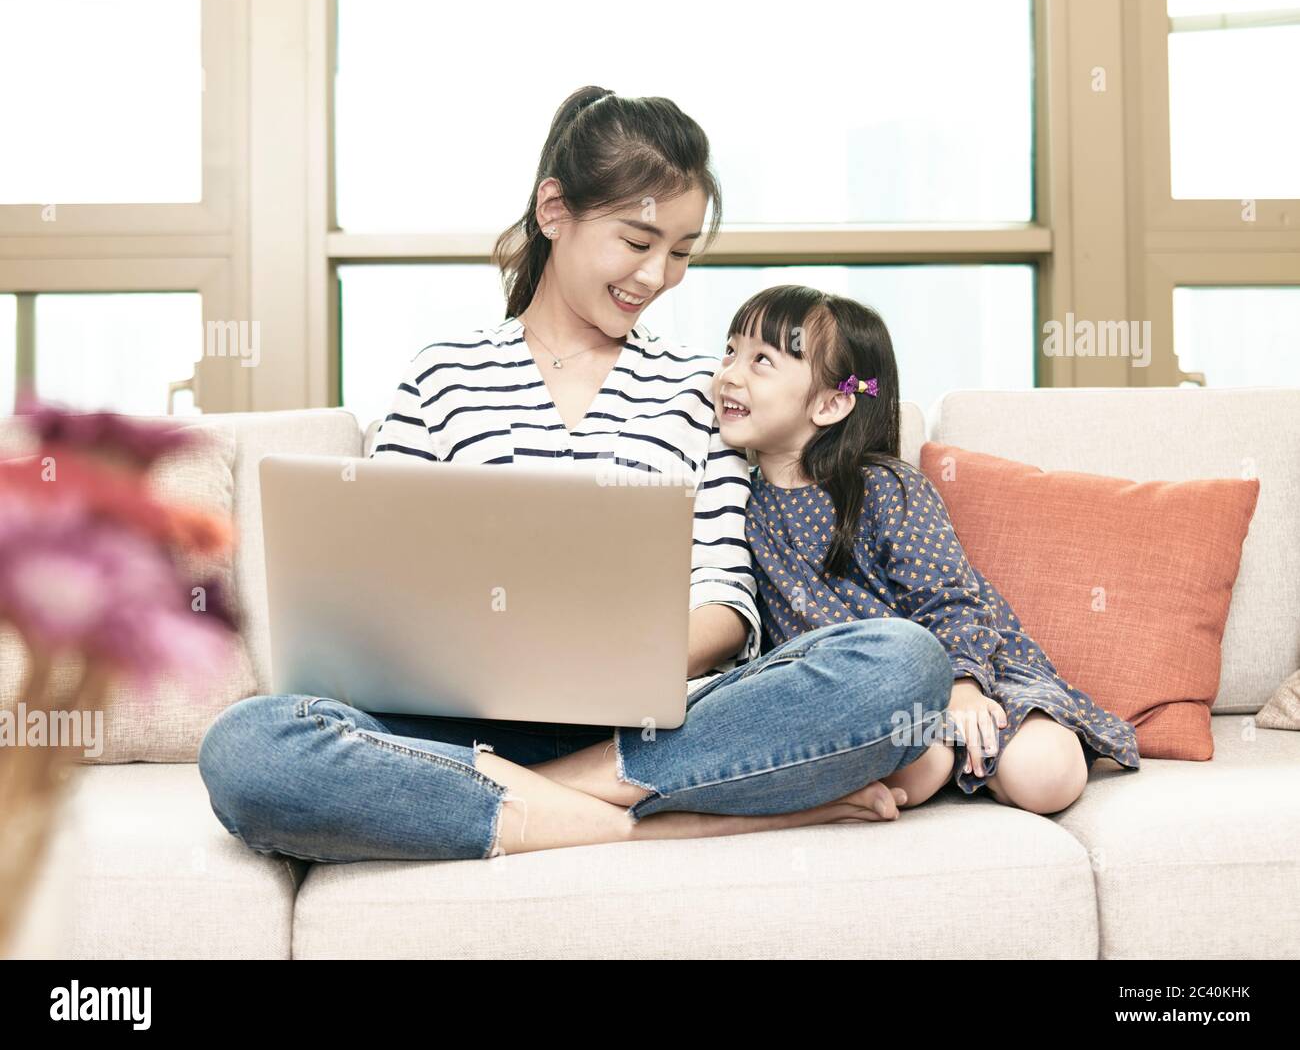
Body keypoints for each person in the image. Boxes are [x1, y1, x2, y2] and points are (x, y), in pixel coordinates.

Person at [198, 88, 952, 864]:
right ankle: (671, 819)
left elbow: (727, 602)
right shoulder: (444, 377)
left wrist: (610, 658)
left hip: (659, 726)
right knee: (247, 746)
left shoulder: (700, 391)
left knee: (904, 662)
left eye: (684, 251)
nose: (659, 275)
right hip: (457, 725)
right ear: (554, 210)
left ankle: (529, 797)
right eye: (638, 240)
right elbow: (377, 600)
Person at [716, 283, 1141, 814]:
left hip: (971, 670)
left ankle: (974, 753)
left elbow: (948, 597)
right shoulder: (734, 500)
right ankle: (950, 759)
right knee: (917, 767)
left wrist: (963, 686)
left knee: (1048, 775)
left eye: (761, 361)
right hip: (866, 702)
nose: (729, 373)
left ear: (830, 403)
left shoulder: (885, 487)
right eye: (729, 350)